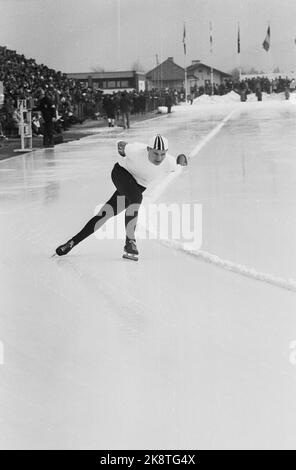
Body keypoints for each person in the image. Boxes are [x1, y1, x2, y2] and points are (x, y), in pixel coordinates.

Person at [55, 134, 188, 260]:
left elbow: (178, 163)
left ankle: (71, 243)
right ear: (148, 149)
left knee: (104, 215)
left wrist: (181, 160)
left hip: (136, 187)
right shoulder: (135, 150)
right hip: (121, 174)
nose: (159, 158)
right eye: (155, 153)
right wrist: (122, 149)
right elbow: (120, 144)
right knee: (137, 198)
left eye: (162, 154)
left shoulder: (169, 163)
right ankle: (130, 241)